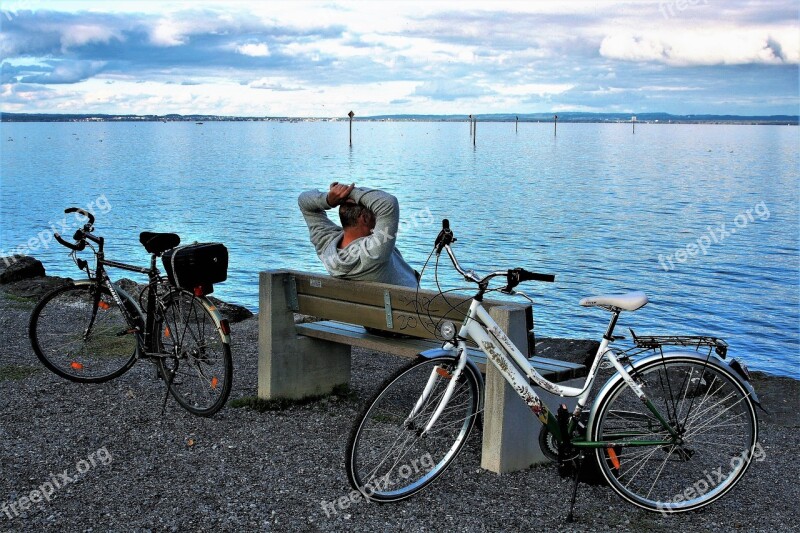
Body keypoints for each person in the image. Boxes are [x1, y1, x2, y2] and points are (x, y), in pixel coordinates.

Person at [298, 182, 419, 287]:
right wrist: (349, 192)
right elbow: (388, 203)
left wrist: (329, 198)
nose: (378, 217)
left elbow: (304, 201)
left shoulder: (325, 245)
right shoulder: (374, 251)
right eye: (374, 212)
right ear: (365, 218)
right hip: (409, 307)